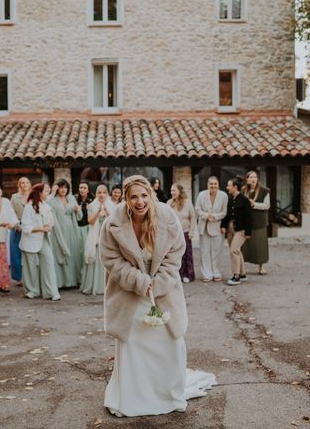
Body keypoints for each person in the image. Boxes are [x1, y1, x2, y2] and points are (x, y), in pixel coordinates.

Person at [100, 175, 215, 417]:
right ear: (125, 198)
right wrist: (140, 281)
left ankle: (166, 393)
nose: (140, 201)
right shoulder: (113, 223)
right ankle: (135, 397)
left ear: (151, 195)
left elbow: (176, 255)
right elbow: (110, 259)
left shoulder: (166, 217)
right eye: (133, 197)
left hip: (163, 292)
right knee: (134, 345)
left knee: (170, 344)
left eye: (144, 196)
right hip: (129, 293)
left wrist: (158, 283)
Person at [19, 183, 61, 301]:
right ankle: (33, 290)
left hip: (44, 239)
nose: (48, 193)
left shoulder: (46, 205)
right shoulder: (29, 206)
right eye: (46, 191)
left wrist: (48, 225)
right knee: (30, 267)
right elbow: (25, 227)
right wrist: (41, 228)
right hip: (30, 240)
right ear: (39, 193)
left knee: (49, 263)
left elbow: (51, 221)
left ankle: (51, 292)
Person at [48, 179, 83, 288]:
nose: (63, 189)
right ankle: (60, 282)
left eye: (65, 187)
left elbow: (80, 216)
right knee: (59, 251)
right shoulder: (52, 199)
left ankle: (73, 281)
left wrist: (78, 210)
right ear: (57, 188)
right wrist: (52, 193)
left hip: (71, 229)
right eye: (61, 187)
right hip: (58, 229)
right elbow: (47, 208)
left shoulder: (71, 198)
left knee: (73, 253)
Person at [81, 184, 114, 295]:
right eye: (99, 192)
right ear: (96, 194)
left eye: (104, 192)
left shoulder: (112, 204)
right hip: (94, 235)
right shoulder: (91, 205)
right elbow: (90, 222)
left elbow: (113, 221)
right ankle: (93, 286)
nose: (101, 195)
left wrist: (106, 210)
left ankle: (106, 286)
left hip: (106, 236)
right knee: (94, 259)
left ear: (107, 194)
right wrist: (98, 211)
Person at [195, 176, 228, 282]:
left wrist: (214, 217)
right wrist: (205, 215)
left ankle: (216, 272)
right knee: (204, 251)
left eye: (215, 184)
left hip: (217, 227)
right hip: (204, 226)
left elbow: (224, 211)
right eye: (211, 184)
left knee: (216, 251)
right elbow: (197, 209)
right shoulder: (201, 195)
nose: (213, 186)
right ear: (207, 185)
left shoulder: (223, 196)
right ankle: (207, 273)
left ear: (218, 185)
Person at [221, 177, 252, 286]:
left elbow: (249, 217)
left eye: (229, 185)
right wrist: (223, 226)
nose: (227, 187)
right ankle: (243, 274)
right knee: (237, 250)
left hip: (241, 231)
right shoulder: (230, 199)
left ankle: (236, 276)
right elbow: (227, 215)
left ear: (235, 187)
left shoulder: (244, 200)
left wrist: (248, 232)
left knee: (234, 250)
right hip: (230, 230)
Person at [242, 171, 271, 275]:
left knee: (260, 246)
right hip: (247, 222)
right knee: (245, 246)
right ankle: (242, 267)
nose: (253, 179)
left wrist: (254, 204)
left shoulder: (264, 190)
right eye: (251, 177)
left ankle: (261, 266)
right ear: (247, 179)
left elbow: (267, 205)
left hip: (260, 222)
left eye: (255, 177)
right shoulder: (243, 190)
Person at [167, 184, 197, 283]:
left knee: (187, 255)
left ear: (179, 191)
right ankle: (178, 275)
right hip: (174, 234)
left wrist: (191, 232)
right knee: (176, 255)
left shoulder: (188, 203)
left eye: (174, 190)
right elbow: (166, 218)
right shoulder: (169, 203)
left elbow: (193, 217)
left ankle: (188, 274)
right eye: (171, 191)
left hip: (186, 232)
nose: (172, 192)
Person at [9, 177, 32, 285]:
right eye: (22, 183)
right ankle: (18, 278)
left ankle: (30, 276)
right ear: (19, 185)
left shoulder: (34, 196)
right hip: (17, 226)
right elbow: (11, 212)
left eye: (27, 182)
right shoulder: (14, 197)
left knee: (29, 252)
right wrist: (16, 224)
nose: (25, 184)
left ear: (30, 184)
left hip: (30, 227)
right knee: (15, 252)